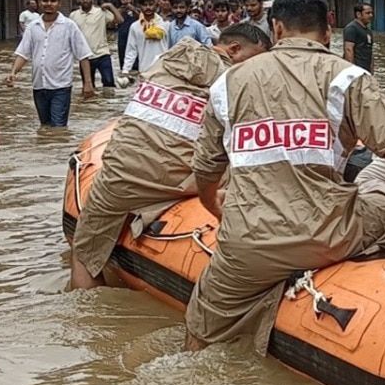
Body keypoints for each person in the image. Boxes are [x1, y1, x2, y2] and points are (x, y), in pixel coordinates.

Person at [182, 0, 385, 352]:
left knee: (199, 329)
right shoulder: (348, 77)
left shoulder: (227, 82)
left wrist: (215, 207)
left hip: (247, 244)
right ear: (329, 27)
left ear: (276, 29)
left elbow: (206, 168)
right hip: (327, 236)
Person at [70, 25, 272, 290]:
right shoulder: (236, 82)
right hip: (181, 181)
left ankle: (83, 313)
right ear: (234, 50)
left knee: (84, 252)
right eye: (254, 60)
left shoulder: (164, 60)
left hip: (120, 172)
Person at [6, 0, 94, 127]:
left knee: (58, 127)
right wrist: (13, 72)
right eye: (45, 0)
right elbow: (23, 53)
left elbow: (83, 55)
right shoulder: (33, 26)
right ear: (39, 2)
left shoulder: (69, 26)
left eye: (53, 1)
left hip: (61, 87)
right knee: (45, 126)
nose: (49, 4)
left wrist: (88, 83)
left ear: (59, 3)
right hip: (39, 86)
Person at [70, 0, 123, 90]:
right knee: (88, 86)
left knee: (109, 83)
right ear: (78, 0)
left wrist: (110, 6)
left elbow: (120, 20)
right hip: (84, 57)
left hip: (102, 54)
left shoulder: (101, 12)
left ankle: (107, 104)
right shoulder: (73, 15)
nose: (85, 0)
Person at [123, 0, 171, 75]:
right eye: (145, 5)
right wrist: (126, 70)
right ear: (139, 6)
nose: (148, 7)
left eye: (151, 4)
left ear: (156, 6)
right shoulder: (135, 27)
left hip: (163, 69)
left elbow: (170, 46)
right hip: (144, 69)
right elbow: (131, 50)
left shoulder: (165, 24)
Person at [343, 2, 375, 72]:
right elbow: (348, 49)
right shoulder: (352, 28)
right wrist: (351, 70)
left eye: (371, 13)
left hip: (366, 70)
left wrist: (371, 69)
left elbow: (370, 51)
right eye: (367, 13)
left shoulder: (368, 31)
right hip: (356, 69)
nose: (371, 15)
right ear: (358, 14)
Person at [117, 0, 139, 72]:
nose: (125, 1)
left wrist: (133, 10)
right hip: (122, 40)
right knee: (123, 63)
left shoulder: (137, 10)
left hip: (135, 39)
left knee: (136, 63)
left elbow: (141, 19)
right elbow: (113, 23)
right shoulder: (118, 11)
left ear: (132, 0)